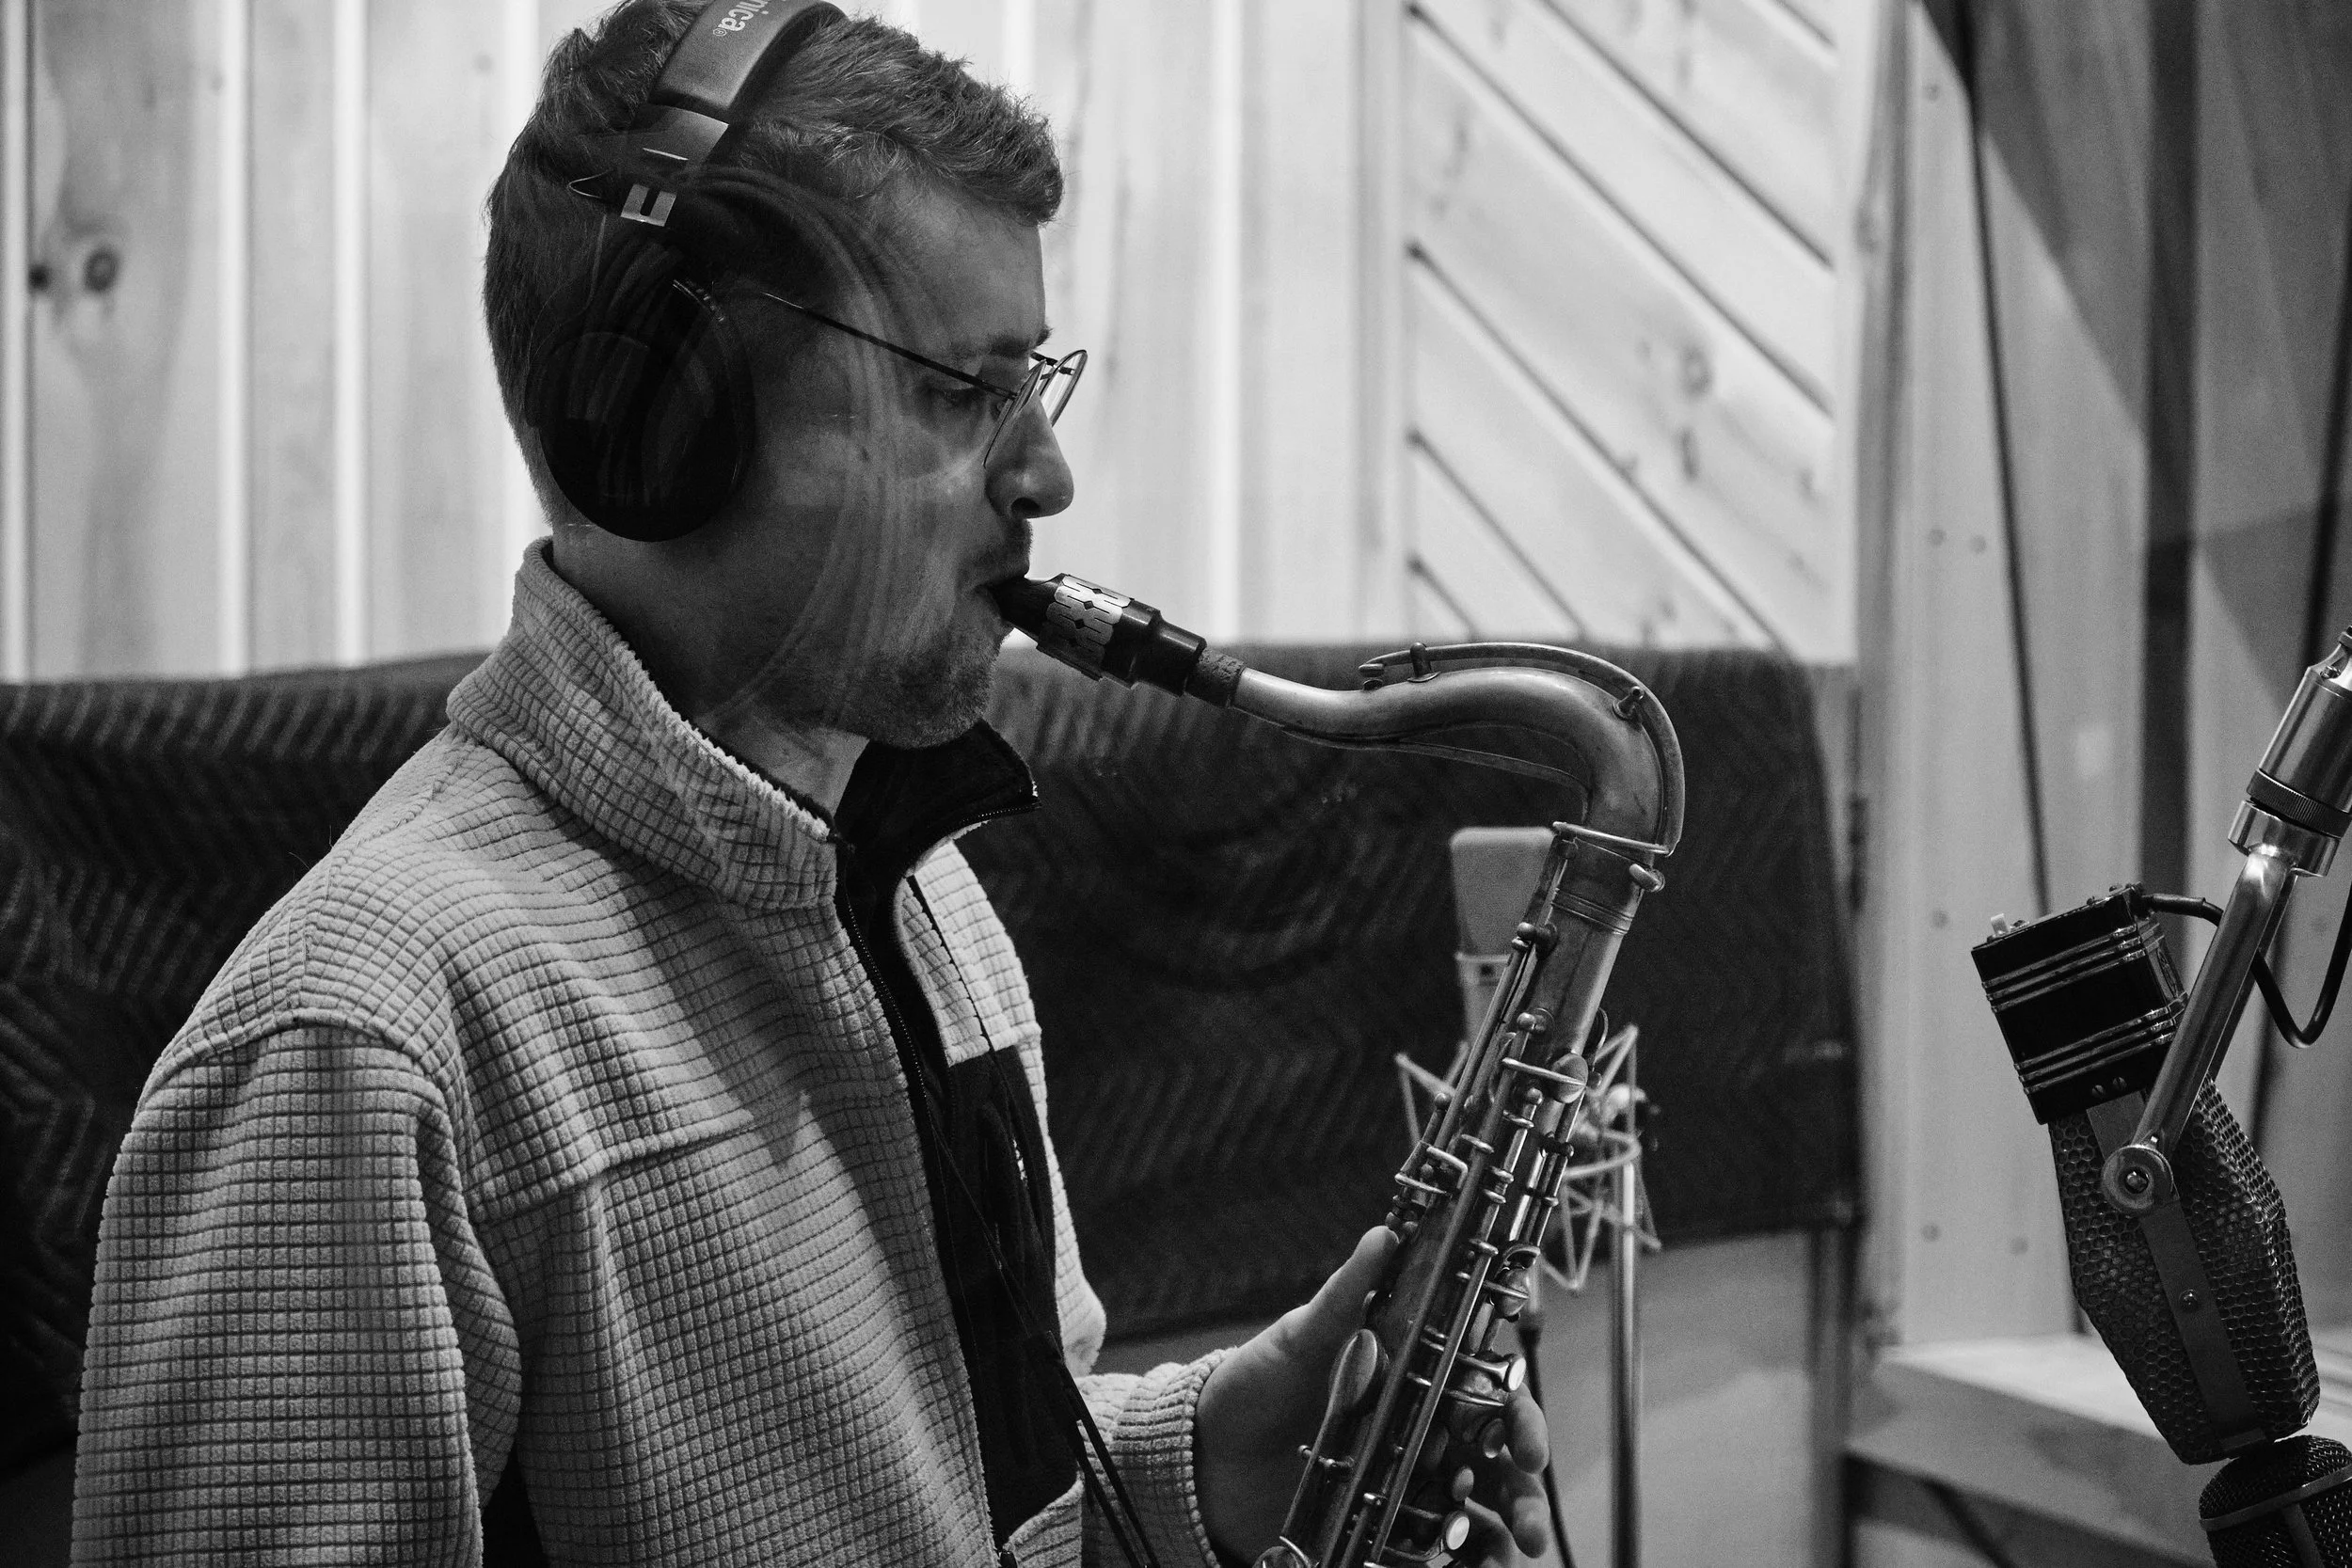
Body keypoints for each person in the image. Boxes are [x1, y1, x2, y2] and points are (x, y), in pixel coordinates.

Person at [71, 4, 1550, 1564]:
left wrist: (1206, 1471)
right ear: (667, 419)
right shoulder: (359, 1047)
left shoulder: (920, 892)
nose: (1047, 476)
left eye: (1034, 382)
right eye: (964, 390)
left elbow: (971, 1506)